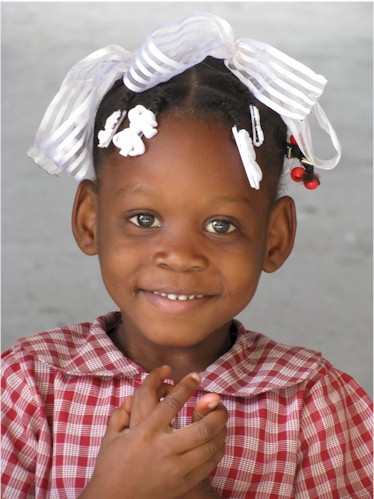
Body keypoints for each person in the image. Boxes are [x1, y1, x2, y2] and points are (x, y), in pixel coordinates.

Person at [1, 12, 372, 498]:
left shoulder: (312, 403)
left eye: (221, 226)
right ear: (89, 219)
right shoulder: (26, 388)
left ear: (275, 237)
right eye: (144, 219)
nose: (179, 256)